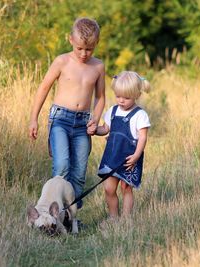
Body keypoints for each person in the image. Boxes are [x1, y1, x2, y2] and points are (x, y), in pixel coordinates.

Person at [29, 17, 105, 209]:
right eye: (79, 48)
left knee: (79, 173)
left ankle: (72, 218)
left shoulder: (98, 67)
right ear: (71, 39)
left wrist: (95, 120)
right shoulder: (61, 61)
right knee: (62, 167)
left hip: (83, 124)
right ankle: (53, 213)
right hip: (60, 120)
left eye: (89, 49)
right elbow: (44, 88)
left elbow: (100, 97)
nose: (84, 53)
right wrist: (33, 119)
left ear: (96, 44)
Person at [95, 71, 151, 219]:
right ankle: (113, 217)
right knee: (108, 188)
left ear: (137, 96)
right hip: (112, 156)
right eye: (118, 96)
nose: (121, 100)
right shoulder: (112, 111)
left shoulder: (140, 115)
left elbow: (143, 138)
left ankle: (125, 219)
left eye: (126, 98)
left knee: (126, 187)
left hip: (129, 158)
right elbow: (105, 129)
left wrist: (137, 155)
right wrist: (94, 130)